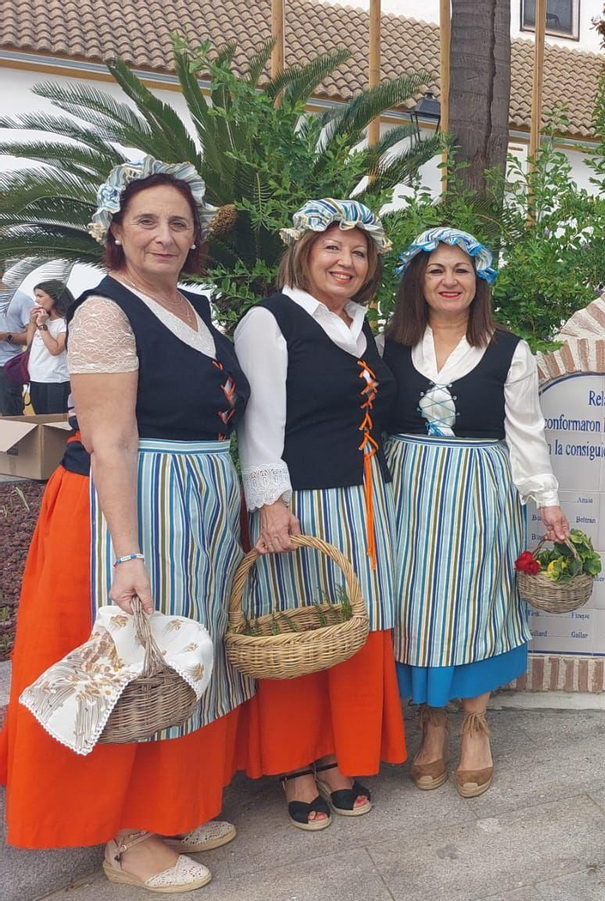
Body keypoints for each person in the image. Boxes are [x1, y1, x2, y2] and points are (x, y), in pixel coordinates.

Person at [0, 157, 250, 893]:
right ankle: (126, 832)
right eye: (146, 220)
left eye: (179, 222)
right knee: (127, 658)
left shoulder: (194, 306)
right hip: (129, 503)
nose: (165, 235)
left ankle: (171, 802)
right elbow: (111, 440)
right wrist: (127, 551)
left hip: (195, 500)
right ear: (114, 227)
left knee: (180, 653)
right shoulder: (105, 310)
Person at [234, 199, 406, 830]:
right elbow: (260, 422)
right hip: (301, 502)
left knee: (352, 626)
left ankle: (337, 752)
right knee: (298, 630)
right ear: (303, 251)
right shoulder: (269, 319)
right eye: (332, 247)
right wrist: (271, 502)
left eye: (359, 251)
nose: (347, 261)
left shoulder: (361, 328)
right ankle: (295, 764)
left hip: (362, 499)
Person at [381, 227, 568, 798]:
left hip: (480, 491)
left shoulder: (508, 350)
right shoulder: (388, 343)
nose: (449, 280)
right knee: (415, 603)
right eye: (436, 269)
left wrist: (547, 502)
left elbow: (526, 432)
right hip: (406, 491)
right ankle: (431, 724)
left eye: (461, 270)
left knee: (477, 600)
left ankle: (476, 724)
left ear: (479, 280)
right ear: (418, 279)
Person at [22, 280, 74, 413]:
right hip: (36, 378)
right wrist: (32, 322)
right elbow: (30, 345)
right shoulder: (44, 320)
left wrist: (42, 326)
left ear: (54, 297)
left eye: (40, 296)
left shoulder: (65, 322)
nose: (37, 300)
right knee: (41, 419)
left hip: (56, 381)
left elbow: (55, 349)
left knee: (55, 421)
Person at [0, 265, 29, 416]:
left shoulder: (20, 300)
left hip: (8, 367)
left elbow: (33, 338)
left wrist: (5, 336)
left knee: (12, 417)